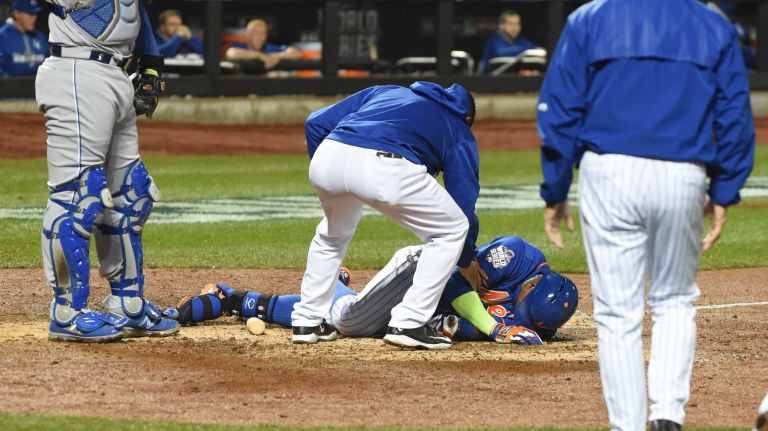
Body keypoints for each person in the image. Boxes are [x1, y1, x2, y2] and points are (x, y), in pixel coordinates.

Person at [537, 0, 755, 430]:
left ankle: (628, 425)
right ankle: (668, 416)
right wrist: (725, 189)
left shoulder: (590, 17)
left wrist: (556, 187)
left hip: (609, 170)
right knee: (674, 299)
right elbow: (734, 114)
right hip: (683, 172)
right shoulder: (712, 23)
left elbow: (559, 110)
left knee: (618, 312)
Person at [290, 82, 482, 350]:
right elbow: (463, 200)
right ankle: (409, 323)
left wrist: (330, 180)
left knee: (331, 236)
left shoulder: (387, 92)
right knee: (451, 229)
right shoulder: (458, 128)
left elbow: (315, 122)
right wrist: (465, 258)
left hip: (329, 156)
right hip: (386, 166)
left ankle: (307, 321)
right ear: (468, 117)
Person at [38, 0, 180, 341]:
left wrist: (150, 61)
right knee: (78, 194)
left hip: (117, 72)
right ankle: (66, 311)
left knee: (131, 194)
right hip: (76, 67)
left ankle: (126, 303)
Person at [175, 236, 578, 346]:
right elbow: (455, 275)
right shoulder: (516, 257)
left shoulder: (536, 320)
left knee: (352, 319)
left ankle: (333, 285)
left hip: (415, 304)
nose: (515, 317)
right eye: (518, 310)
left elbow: (450, 323)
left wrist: (473, 328)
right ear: (529, 286)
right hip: (420, 270)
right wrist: (493, 328)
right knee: (346, 321)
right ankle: (233, 299)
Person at [224, 19, 300, 70]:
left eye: (263, 34)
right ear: (248, 35)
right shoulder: (240, 46)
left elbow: (295, 53)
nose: (260, 37)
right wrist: (260, 56)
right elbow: (231, 53)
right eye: (256, 33)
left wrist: (274, 56)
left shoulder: (268, 48)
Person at [0, 0, 48, 77]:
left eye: (35, 14)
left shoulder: (40, 36)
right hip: (10, 88)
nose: (34, 18)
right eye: (30, 14)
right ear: (17, 14)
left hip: (38, 87)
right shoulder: (2, 37)